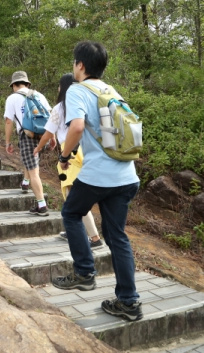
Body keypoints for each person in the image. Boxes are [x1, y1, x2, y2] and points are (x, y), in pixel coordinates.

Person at [50, 41, 142, 322]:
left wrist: (65, 155)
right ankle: (128, 301)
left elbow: (76, 126)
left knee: (71, 212)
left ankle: (84, 272)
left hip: (100, 175)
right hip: (127, 174)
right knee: (117, 237)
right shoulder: (111, 90)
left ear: (80, 65)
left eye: (74, 62)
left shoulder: (78, 90)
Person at [33, 74, 104, 248]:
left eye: (59, 86)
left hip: (70, 153)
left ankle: (95, 239)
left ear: (62, 88)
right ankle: (72, 228)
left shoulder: (59, 108)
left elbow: (47, 133)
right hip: (87, 150)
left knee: (75, 196)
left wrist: (37, 148)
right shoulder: (85, 103)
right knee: (73, 196)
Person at [3, 71, 52, 216]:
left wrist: (7, 142)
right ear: (27, 83)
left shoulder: (12, 98)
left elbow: (8, 121)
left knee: (34, 171)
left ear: (14, 85)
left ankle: (42, 205)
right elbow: (51, 116)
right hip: (43, 135)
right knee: (30, 162)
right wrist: (52, 137)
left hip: (27, 136)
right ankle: (25, 182)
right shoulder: (39, 95)